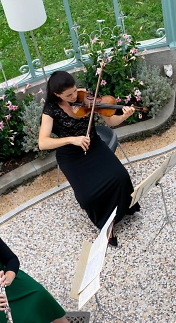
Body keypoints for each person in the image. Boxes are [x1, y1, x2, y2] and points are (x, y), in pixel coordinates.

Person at [39, 71, 139, 245]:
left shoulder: (87, 96)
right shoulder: (50, 110)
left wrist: (124, 115)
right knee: (87, 197)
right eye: (68, 95)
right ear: (56, 94)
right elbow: (43, 143)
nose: (74, 96)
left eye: (74, 90)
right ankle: (106, 226)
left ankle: (125, 208)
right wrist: (71, 139)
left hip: (94, 146)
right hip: (70, 156)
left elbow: (111, 122)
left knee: (121, 176)